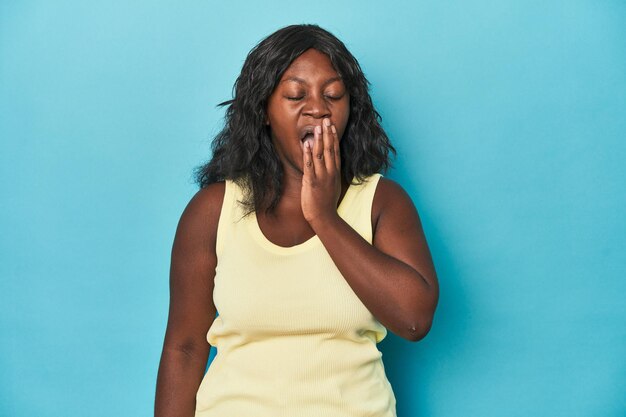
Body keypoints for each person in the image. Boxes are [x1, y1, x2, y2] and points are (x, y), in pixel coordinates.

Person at [154, 24, 439, 417]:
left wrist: (324, 217)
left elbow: (414, 320)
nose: (318, 107)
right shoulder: (212, 211)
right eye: (295, 94)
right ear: (264, 111)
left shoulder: (380, 202)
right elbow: (184, 348)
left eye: (333, 95)